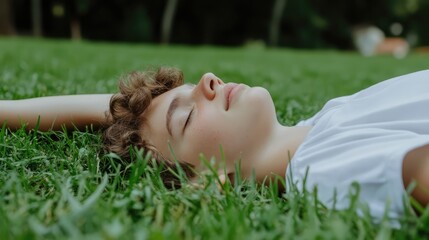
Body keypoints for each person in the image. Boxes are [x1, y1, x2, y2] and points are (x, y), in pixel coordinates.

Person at [1, 67, 428, 223]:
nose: (209, 80)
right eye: (186, 116)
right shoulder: (324, 164)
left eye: (190, 89)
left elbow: (107, 108)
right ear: (205, 182)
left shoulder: (321, 126)